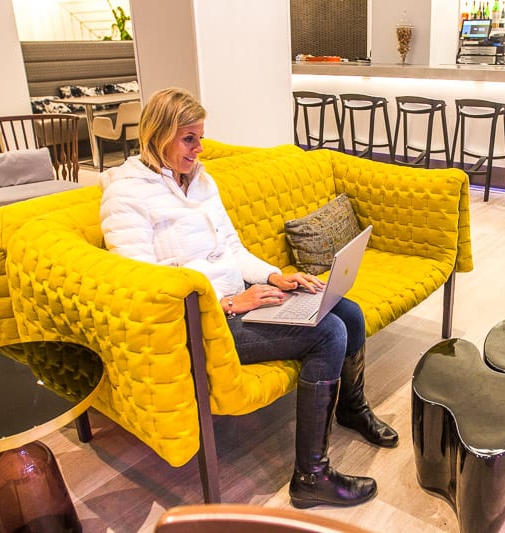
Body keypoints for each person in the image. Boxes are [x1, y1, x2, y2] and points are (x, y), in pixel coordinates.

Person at [98, 87, 398, 509]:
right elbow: (145, 287)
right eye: (189, 139)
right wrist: (233, 305)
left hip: (238, 301)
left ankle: (352, 408)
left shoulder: (201, 182)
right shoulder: (126, 195)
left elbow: (232, 251)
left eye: (200, 137)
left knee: (345, 311)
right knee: (327, 333)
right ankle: (310, 476)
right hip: (202, 322)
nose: (199, 149)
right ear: (158, 135)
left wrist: (277, 276)